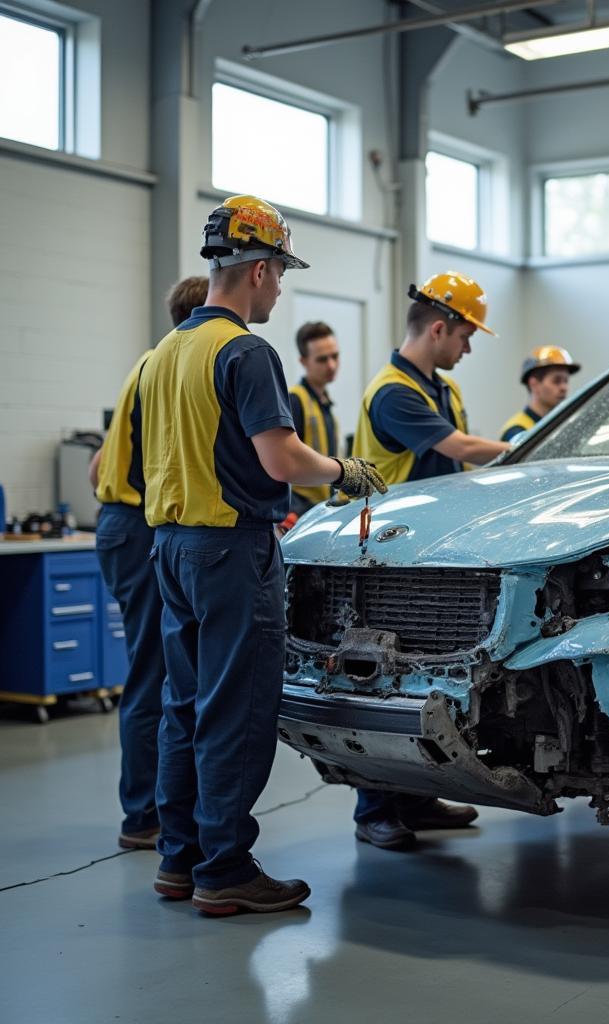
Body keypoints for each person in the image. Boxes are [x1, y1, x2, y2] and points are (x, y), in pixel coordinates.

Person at [139, 195, 387, 916]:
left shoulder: (165, 354)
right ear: (257, 269)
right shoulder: (246, 351)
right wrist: (346, 472)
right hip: (229, 551)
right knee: (238, 710)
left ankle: (179, 860)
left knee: (183, 706)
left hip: (172, 547)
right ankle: (226, 867)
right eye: (280, 272)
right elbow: (280, 459)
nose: (280, 287)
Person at [350, 270, 511, 850]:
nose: (468, 348)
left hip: (432, 553)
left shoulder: (442, 387)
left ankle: (415, 798)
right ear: (440, 327)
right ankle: (374, 809)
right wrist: (533, 448)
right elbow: (461, 449)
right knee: (380, 676)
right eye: (466, 336)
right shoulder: (394, 392)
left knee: (423, 673)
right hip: (386, 555)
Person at [87, 274, 208, 851]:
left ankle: (154, 807)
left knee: (155, 669)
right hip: (139, 528)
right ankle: (142, 816)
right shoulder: (170, 367)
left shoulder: (144, 367)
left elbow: (97, 469)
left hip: (118, 523)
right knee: (153, 674)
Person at [288, 321, 341, 515]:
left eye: (335, 356)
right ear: (303, 361)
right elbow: (285, 461)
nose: (331, 365)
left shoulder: (325, 403)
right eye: (322, 359)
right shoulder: (295, 400)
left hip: (322, 507)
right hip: (298, 510)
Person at [500, 345, 580, 441]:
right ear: (534, 385)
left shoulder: (563, 424)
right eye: (556, 381)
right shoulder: (516, 431)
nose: (564, 387)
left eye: (566, 381)